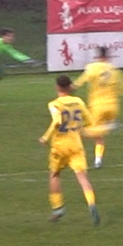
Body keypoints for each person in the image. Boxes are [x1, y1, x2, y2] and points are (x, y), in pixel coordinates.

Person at [38, 75, 99, 224]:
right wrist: (82, 129)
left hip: (60, 147)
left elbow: (57, 121)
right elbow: (90, 121)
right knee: (83, 177)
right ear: (70, 86)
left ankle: (57, 208)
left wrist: (45, 137)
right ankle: (91, 204)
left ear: (57, 87)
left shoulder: (54, 104)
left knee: (54, 175)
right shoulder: (78, 101)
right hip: (76, 145)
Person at [78, 46, 123, 168]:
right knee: (99, 134)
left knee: (89, 133)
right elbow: (121, 91)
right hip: (113, 106)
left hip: (97, 106)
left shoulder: (92, 68)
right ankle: (98, 160)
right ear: (108, 56)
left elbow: (79, 83)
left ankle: (109, 127)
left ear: (98, 56)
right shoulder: (115, 70)